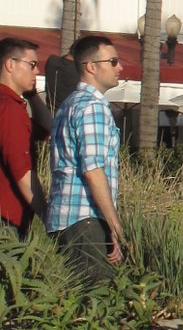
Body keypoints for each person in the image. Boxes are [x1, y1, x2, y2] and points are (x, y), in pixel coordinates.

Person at [46, 33, 126, 285]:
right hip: (85, 218)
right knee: (97, 300)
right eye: (113, 61)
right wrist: (115, 226)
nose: (120, 67)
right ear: (91, 67)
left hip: (66, 217)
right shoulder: (92, 107)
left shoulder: (70, 103)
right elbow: (92, 170)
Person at [0, 35, 44, 236]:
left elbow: (47, 131)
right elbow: (21, 169)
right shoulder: (10, 109)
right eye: (32, 65)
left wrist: (32, 95)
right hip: (6, 217)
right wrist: (47, 215)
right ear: (10, 64)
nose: (37, 71)